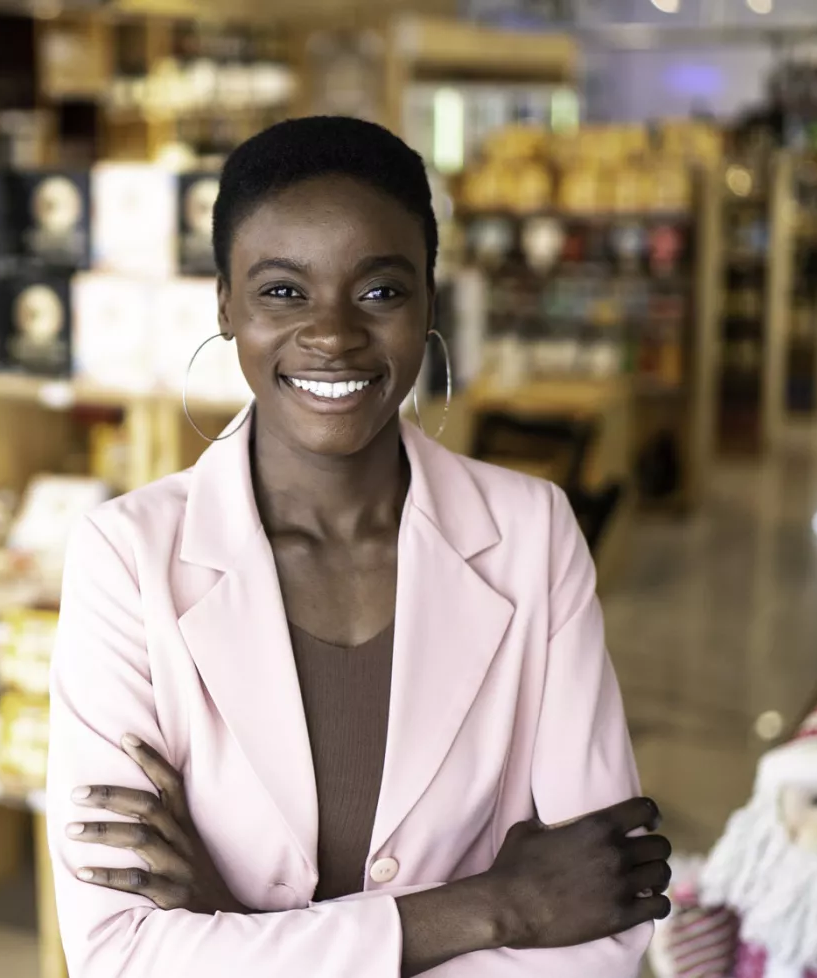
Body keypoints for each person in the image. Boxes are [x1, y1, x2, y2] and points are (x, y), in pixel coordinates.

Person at [45, 116, 670, 978]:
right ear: (225, 305)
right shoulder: (126, 560)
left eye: (379, 291)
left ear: (429, 300)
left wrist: (230, 926)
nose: (332, 334)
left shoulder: (534, 533)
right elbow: (119, 955)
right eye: (283, 292)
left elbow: (603, 915)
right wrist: (496, 906)